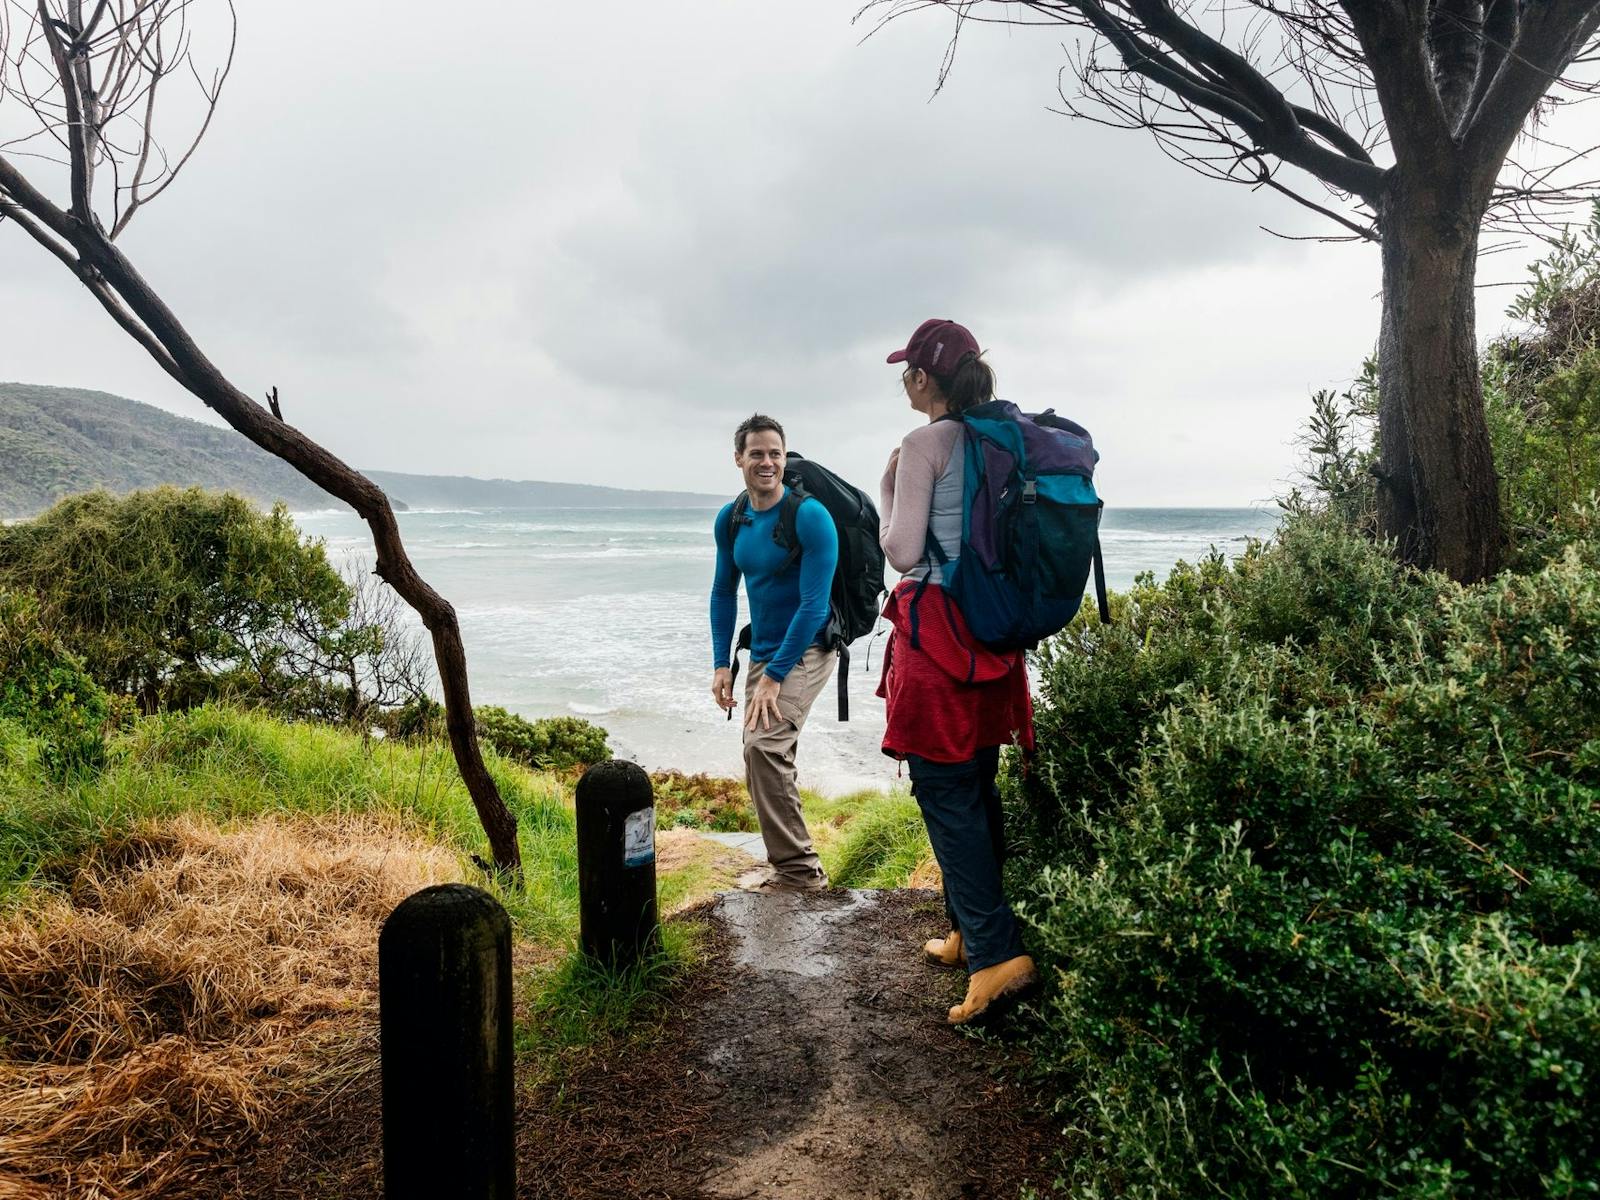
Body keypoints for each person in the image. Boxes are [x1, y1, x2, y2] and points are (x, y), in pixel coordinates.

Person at [876, 318, 1038, 1024]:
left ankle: (996, 956)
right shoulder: (1003, 442)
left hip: (938, 641)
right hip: (993, 637)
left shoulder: (923, 444)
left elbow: (904, 551)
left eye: (906, 371)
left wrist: (888, 487)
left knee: (946, 792)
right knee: (975, 781)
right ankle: (975, 929)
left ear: (921, 380)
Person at [710, 413, 839, 892]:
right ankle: (792, 864)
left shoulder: (810, 516)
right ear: (739, 458)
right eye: (757, 454)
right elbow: (723, 591)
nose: (767, 463)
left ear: (785, 458)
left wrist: (774, 674)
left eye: (775, 454)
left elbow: (814, 605)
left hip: (807, 647)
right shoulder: (734, 517)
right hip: (764, 649)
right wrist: (722, 662)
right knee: (760, 752)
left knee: (764, 747)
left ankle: (800, 874)